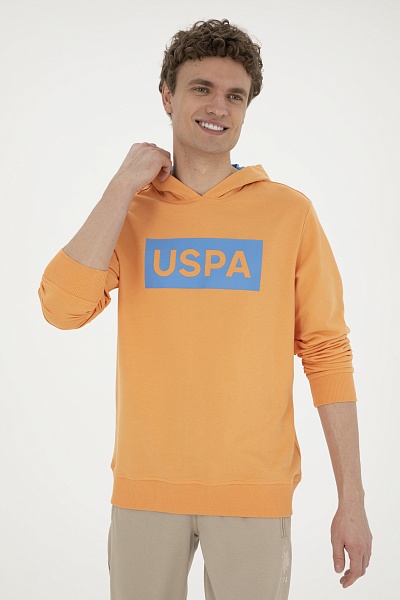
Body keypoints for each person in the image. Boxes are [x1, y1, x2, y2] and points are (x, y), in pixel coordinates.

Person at [38, 18, 372, 600]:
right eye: (202, 88)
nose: (219, 106)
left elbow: (327, 353)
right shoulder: (130, 211)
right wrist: (121, 186)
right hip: (145, 489)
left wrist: (353, 500)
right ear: (167, 97)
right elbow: (61, 309)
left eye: (234, 96)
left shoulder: (288, 214)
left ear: (245, 109)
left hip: (253, 492)